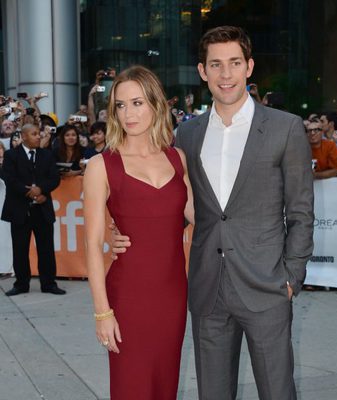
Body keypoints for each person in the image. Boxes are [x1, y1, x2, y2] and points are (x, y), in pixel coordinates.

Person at [112, 26, 314, 400]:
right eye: (216, 65)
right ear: (202, 71)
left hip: (267, 286)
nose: (226, 75)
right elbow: (166, 202)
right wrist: (117, 230)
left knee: (277, 392)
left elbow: (301, 211)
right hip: (208, 289)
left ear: (249, 67)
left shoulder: (285, 129)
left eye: (234, 63)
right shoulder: (186, 136)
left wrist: (292, 275)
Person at [83, 65, 194, 399]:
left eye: (137, 103)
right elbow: (91, 246)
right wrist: (102, 313)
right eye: (120, 105)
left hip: (173, 295)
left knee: (164, 386)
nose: (128, 113)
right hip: (128, 297)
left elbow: (202, 217)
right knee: (132, 388)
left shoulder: (177, 159)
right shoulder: (102, 166)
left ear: (156, 105)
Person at [1, 124, 65, 296]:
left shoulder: (47, 155)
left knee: (46, 248)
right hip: (19, 210)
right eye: (34, 134)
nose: (39, 136)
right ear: (24, 136)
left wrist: (42, 190)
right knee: (20, 248)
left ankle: (49, 283)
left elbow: (54, 178)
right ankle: (21, 284)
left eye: (39, 133)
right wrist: (31, 193)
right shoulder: (11, 155)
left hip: (42, 210)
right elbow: (9, 178)